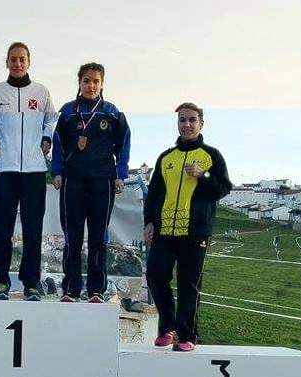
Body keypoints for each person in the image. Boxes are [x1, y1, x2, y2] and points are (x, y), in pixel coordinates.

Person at [143, 102, 232, 351]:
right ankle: (167, 328)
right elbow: (154, 194)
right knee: (155, 276)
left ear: (201, 123)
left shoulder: (211, 155)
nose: (187, 124)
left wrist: (203, 175)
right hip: (164, 231)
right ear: (178, 124)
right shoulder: (166, 158)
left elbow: (223, 189)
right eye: (182, 120)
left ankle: (187, 336)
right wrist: (149, 222)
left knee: (188, 283)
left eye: (192, 120)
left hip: (195, 232)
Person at [0, 42, 57, 301]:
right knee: (3, 231)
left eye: (22, 59)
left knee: (32, 231)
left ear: (28, 62)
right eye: (13, 59)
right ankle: (2, 282)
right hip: (5, 168)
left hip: (35, 170)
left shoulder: (41, 92)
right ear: (7, 62)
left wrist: (47, 137)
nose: (17, 63)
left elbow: (51, 119)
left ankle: (31, 284)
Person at [51, 62, 130, 303]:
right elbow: (58, 143)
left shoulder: (112, 113)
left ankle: (96, 290)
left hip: (102, 179)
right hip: (72, 179)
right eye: (86, 81)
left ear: (102, 84)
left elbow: (124, 143)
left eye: (96, 81)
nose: (91, 86)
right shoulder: (67, 112)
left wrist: (120, 174)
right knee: (72, 236)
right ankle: (71, 289)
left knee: (98, 237)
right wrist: (57, 171)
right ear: (80, 83)